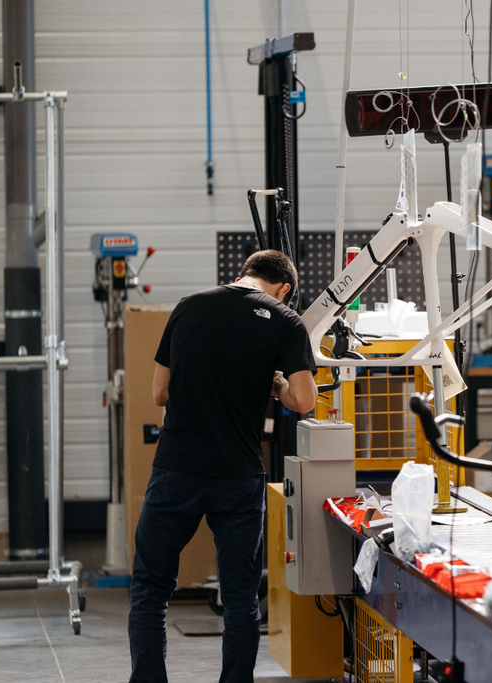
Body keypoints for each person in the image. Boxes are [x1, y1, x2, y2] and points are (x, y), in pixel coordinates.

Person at [128, 250, 317, 683]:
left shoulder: (189, 306)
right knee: (238, 598)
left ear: (244, 273)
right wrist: (275, 382)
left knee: (151, 590)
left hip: (177, 469)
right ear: (283, 289)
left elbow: (160, 393)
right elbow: (303, 402)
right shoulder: (286, 322)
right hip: (238, 477)